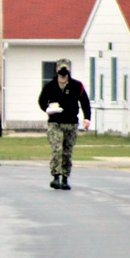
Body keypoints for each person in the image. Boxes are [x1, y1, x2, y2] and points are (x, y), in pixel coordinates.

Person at [37, 58, 91, 190]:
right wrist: (47, 109)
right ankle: (56, 177)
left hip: (71, 123)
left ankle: (65, 178)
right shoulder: (51, 86)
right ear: (56, 69)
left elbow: (85, 102)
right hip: (55, 123)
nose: (63, 71)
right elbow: (42, 100)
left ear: (69, 69)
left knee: (67, 152)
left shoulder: (77, 86)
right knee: (57, 149)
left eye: (65, 68)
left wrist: (87, 118)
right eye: (61, 68)